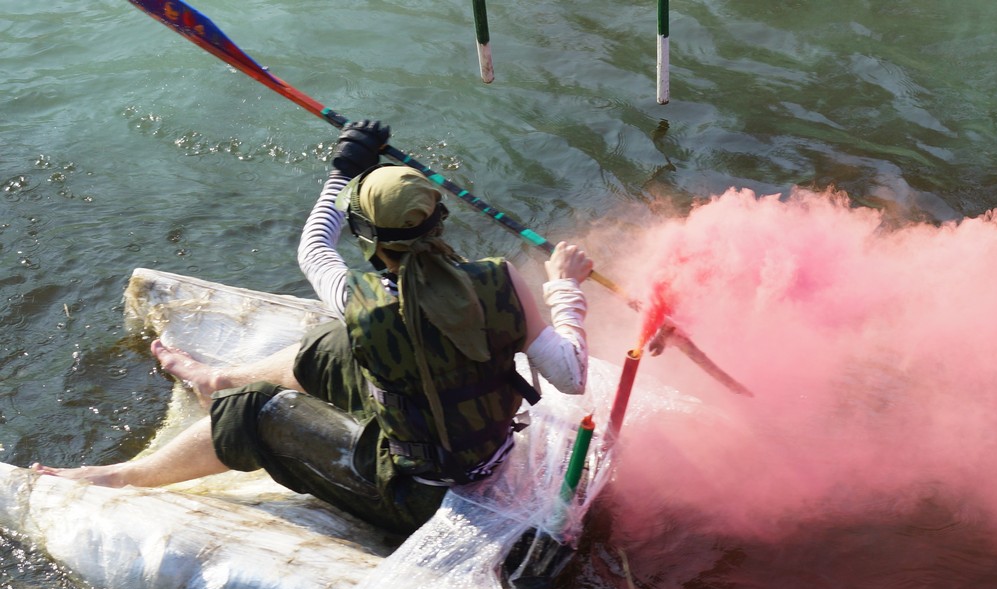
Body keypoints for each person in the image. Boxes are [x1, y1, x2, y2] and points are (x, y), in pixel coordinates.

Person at [34, 120, 594, 538]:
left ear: (367, 236)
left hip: (420, 496)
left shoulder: (358, 299)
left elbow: (314, 247)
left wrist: (344, 169)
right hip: (490, 456)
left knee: (256, 407)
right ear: (438, 219)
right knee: (330, 348)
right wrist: (564, 287)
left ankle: (126, 475)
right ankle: (216, 377)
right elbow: (568, 377)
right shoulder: (504, 283)